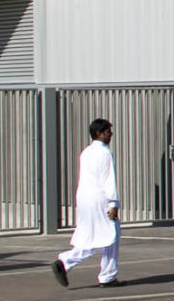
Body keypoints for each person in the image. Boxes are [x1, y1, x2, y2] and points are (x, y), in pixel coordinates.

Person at [52, 118, 121, 288]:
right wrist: (113, 204)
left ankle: (66, 262)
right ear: (99, 133)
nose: (110, 134)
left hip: (84, 199)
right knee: (110, 235)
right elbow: (107, 180)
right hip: (99, 199)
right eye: (107, 131)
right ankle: (107, 275)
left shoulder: (86, 152)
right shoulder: (104, 153)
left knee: (92, 236)